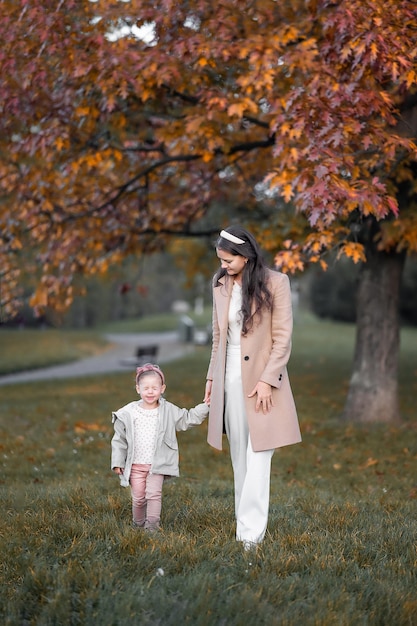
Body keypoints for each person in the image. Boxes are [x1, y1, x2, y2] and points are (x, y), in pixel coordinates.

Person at [204, 226, 301, 549]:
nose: (224, 266)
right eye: (221, 260)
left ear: (245, 256)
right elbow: (219, 337)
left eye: (229, 260)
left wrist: (266, 381)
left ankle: (251, 535)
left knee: (260, 455)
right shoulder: (219, 285)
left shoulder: (277, 283)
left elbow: (283, 339)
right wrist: (211, 379)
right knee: (239, 458)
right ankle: (242, 527)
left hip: (264, 383)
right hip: (230, 378)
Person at [111, 363, 209, 532]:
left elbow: (187, 419)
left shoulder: (168, 410)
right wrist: (118, 461)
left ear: (162, 388)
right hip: (135, 464)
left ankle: (152, 527)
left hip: (157, 464)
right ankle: (138, 524)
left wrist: (206, 406)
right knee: (139, 498)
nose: (150, 392)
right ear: (137, 389)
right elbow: (119, 440)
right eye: (146, 388)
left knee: (154, 495)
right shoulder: (128, 413)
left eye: (154, 388)